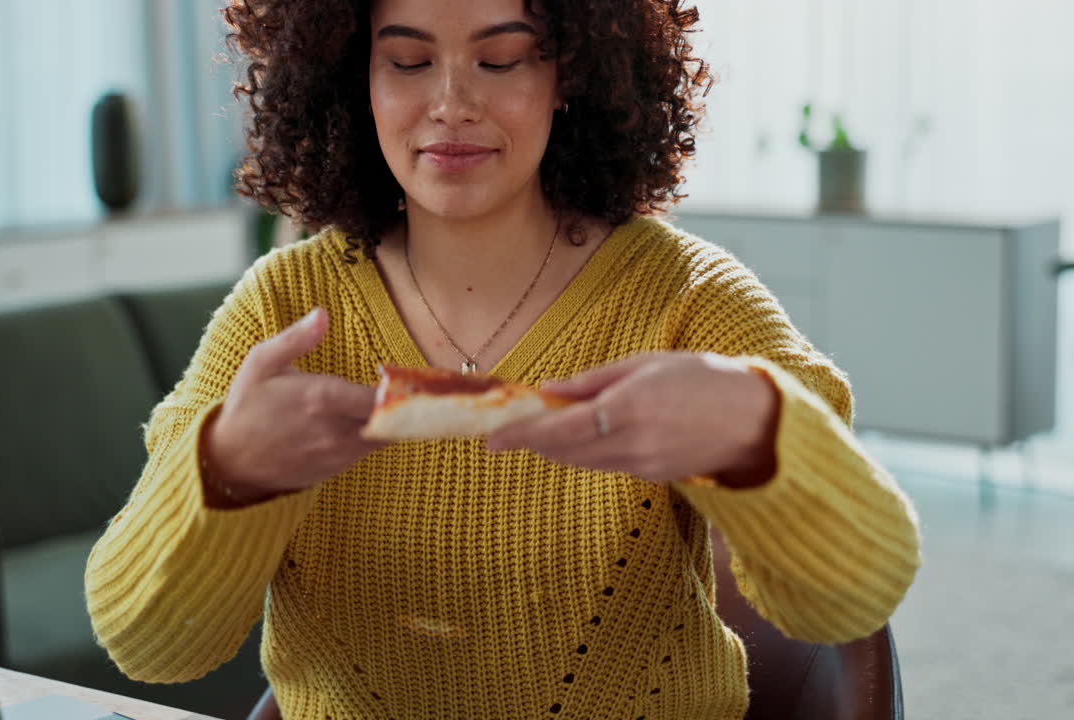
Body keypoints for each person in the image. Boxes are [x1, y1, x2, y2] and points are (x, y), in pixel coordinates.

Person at [84, 0, 922, 718]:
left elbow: (861, 588)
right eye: (408, 61)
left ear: (572, 76)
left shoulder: (687, 299)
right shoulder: (282, 308)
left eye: (502, 58)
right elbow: (144, 642)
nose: (450, 103)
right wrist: (226, 468)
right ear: (353, 81)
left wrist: (759, 435)